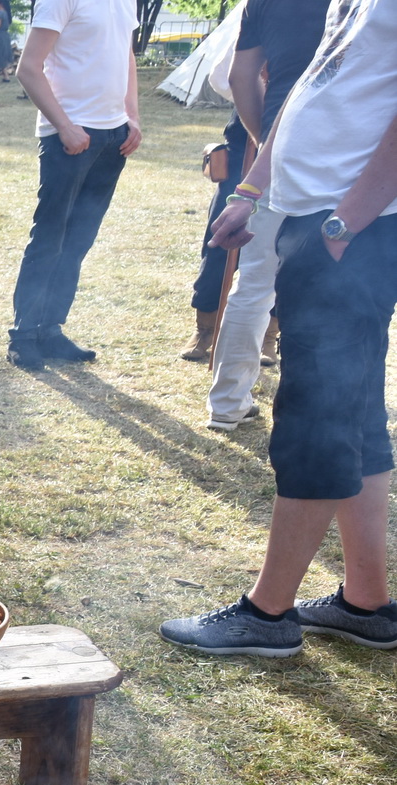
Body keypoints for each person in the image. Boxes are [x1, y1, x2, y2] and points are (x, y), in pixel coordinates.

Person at [162, 0, 397, 657]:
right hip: (317, 216)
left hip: (354, 229)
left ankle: (267, 614)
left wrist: (347, 221)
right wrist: (252, 190)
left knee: (315, 414)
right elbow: (309, 90)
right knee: (353, 412)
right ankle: (366, 601)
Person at [203, 0, 331, 430]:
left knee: (254, 282)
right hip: (347, 155)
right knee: (328, 287)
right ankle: (315, 407)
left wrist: (266, 141)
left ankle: (226, 404)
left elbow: (238, 77)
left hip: (282, 151)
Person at [5, 0, 140, 369]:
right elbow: (28, 68)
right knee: (51, 237)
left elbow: (126, 57)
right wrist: (64, 125)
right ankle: (24, 335)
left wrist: (132, 116)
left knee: (79, 239)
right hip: (70, 136)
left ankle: (50, 330)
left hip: (114, 137)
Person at [179, 116, 249, 364]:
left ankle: (269, 337)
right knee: (219, 245)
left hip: (290, 153)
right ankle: (205, 329)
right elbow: (223, 80)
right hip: (244, 153)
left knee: (278, 252)